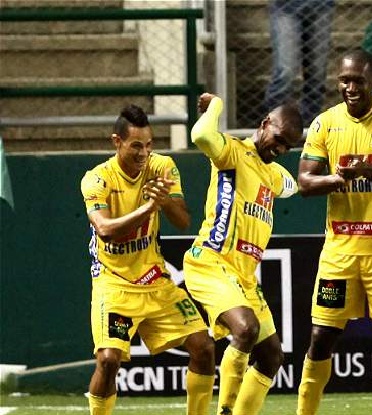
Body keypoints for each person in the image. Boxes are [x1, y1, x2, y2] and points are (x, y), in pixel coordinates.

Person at [296, 49, 372, 415]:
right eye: (344, 80)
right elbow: (304, 182)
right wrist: (336, 179)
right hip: (339, 253)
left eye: (358, 81)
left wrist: (368, 171)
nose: (350, 88)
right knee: (321, 337)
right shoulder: (324, 124)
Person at [80, 104, 215, 415]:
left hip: (156, 282)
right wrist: (148, 208)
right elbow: (105, 230)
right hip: (114, 285)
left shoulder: (162, 167)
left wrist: (164, 201)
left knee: (204, 347)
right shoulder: (97, 179)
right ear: (117, 142)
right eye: (136, 146)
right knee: (108, 360)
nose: (144, 153)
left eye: (149, 145)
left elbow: (183, 221)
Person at [183, 93, 303, 415]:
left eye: (288, 147)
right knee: (246, 328)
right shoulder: (232, 153)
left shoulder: (273, 174)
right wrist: (216, 104)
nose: (280, 150)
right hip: (211, 262)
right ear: (264, 124)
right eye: (278, 139)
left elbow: (295, 184)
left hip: (244, 278)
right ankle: (225, 410)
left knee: (272, 357)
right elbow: (201, 134)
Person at [264, 0, 336, 125]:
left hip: (321, 5)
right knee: (286, 71)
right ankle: (277, 124)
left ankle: (310, 124)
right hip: (285, 6)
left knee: (317, 72)